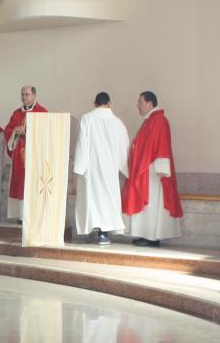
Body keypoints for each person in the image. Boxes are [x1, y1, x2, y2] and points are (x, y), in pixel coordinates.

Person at [123, 91, 183, 247]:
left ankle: (152, 237)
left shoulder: (159, 120)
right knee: (147, 206)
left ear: (149, 104)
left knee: (152, 205)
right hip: (145, 170)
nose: (137, 105)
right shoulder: (150, 120)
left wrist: (161, 169)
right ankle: (145, 234)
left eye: (140, 102)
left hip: (153, 172)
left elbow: (162, 145)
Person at [73, 92, 130, 244]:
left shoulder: (87, 119)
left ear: (94, 104)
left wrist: (79, 167)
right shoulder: (118, 122)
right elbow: (123, 146)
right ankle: (104, 234)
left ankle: (96, 230)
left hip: (92, 167)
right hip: (110, 168)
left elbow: (81, 143)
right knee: (107, 199)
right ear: (109, 104)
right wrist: (124, 167)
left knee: (93, 199)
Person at [4, 85, 48, 221]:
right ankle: (23, 216)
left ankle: (35, 215)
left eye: (27, 94)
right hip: (20, 155)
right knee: (21, 184)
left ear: (34, 95)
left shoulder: (42, 112)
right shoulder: (16, 113)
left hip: (35, 156)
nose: (24, 97)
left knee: (34, 183)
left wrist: (28, 131)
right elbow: (8, 130)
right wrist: (14, 132)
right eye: (22, 94)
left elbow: (47, 132)